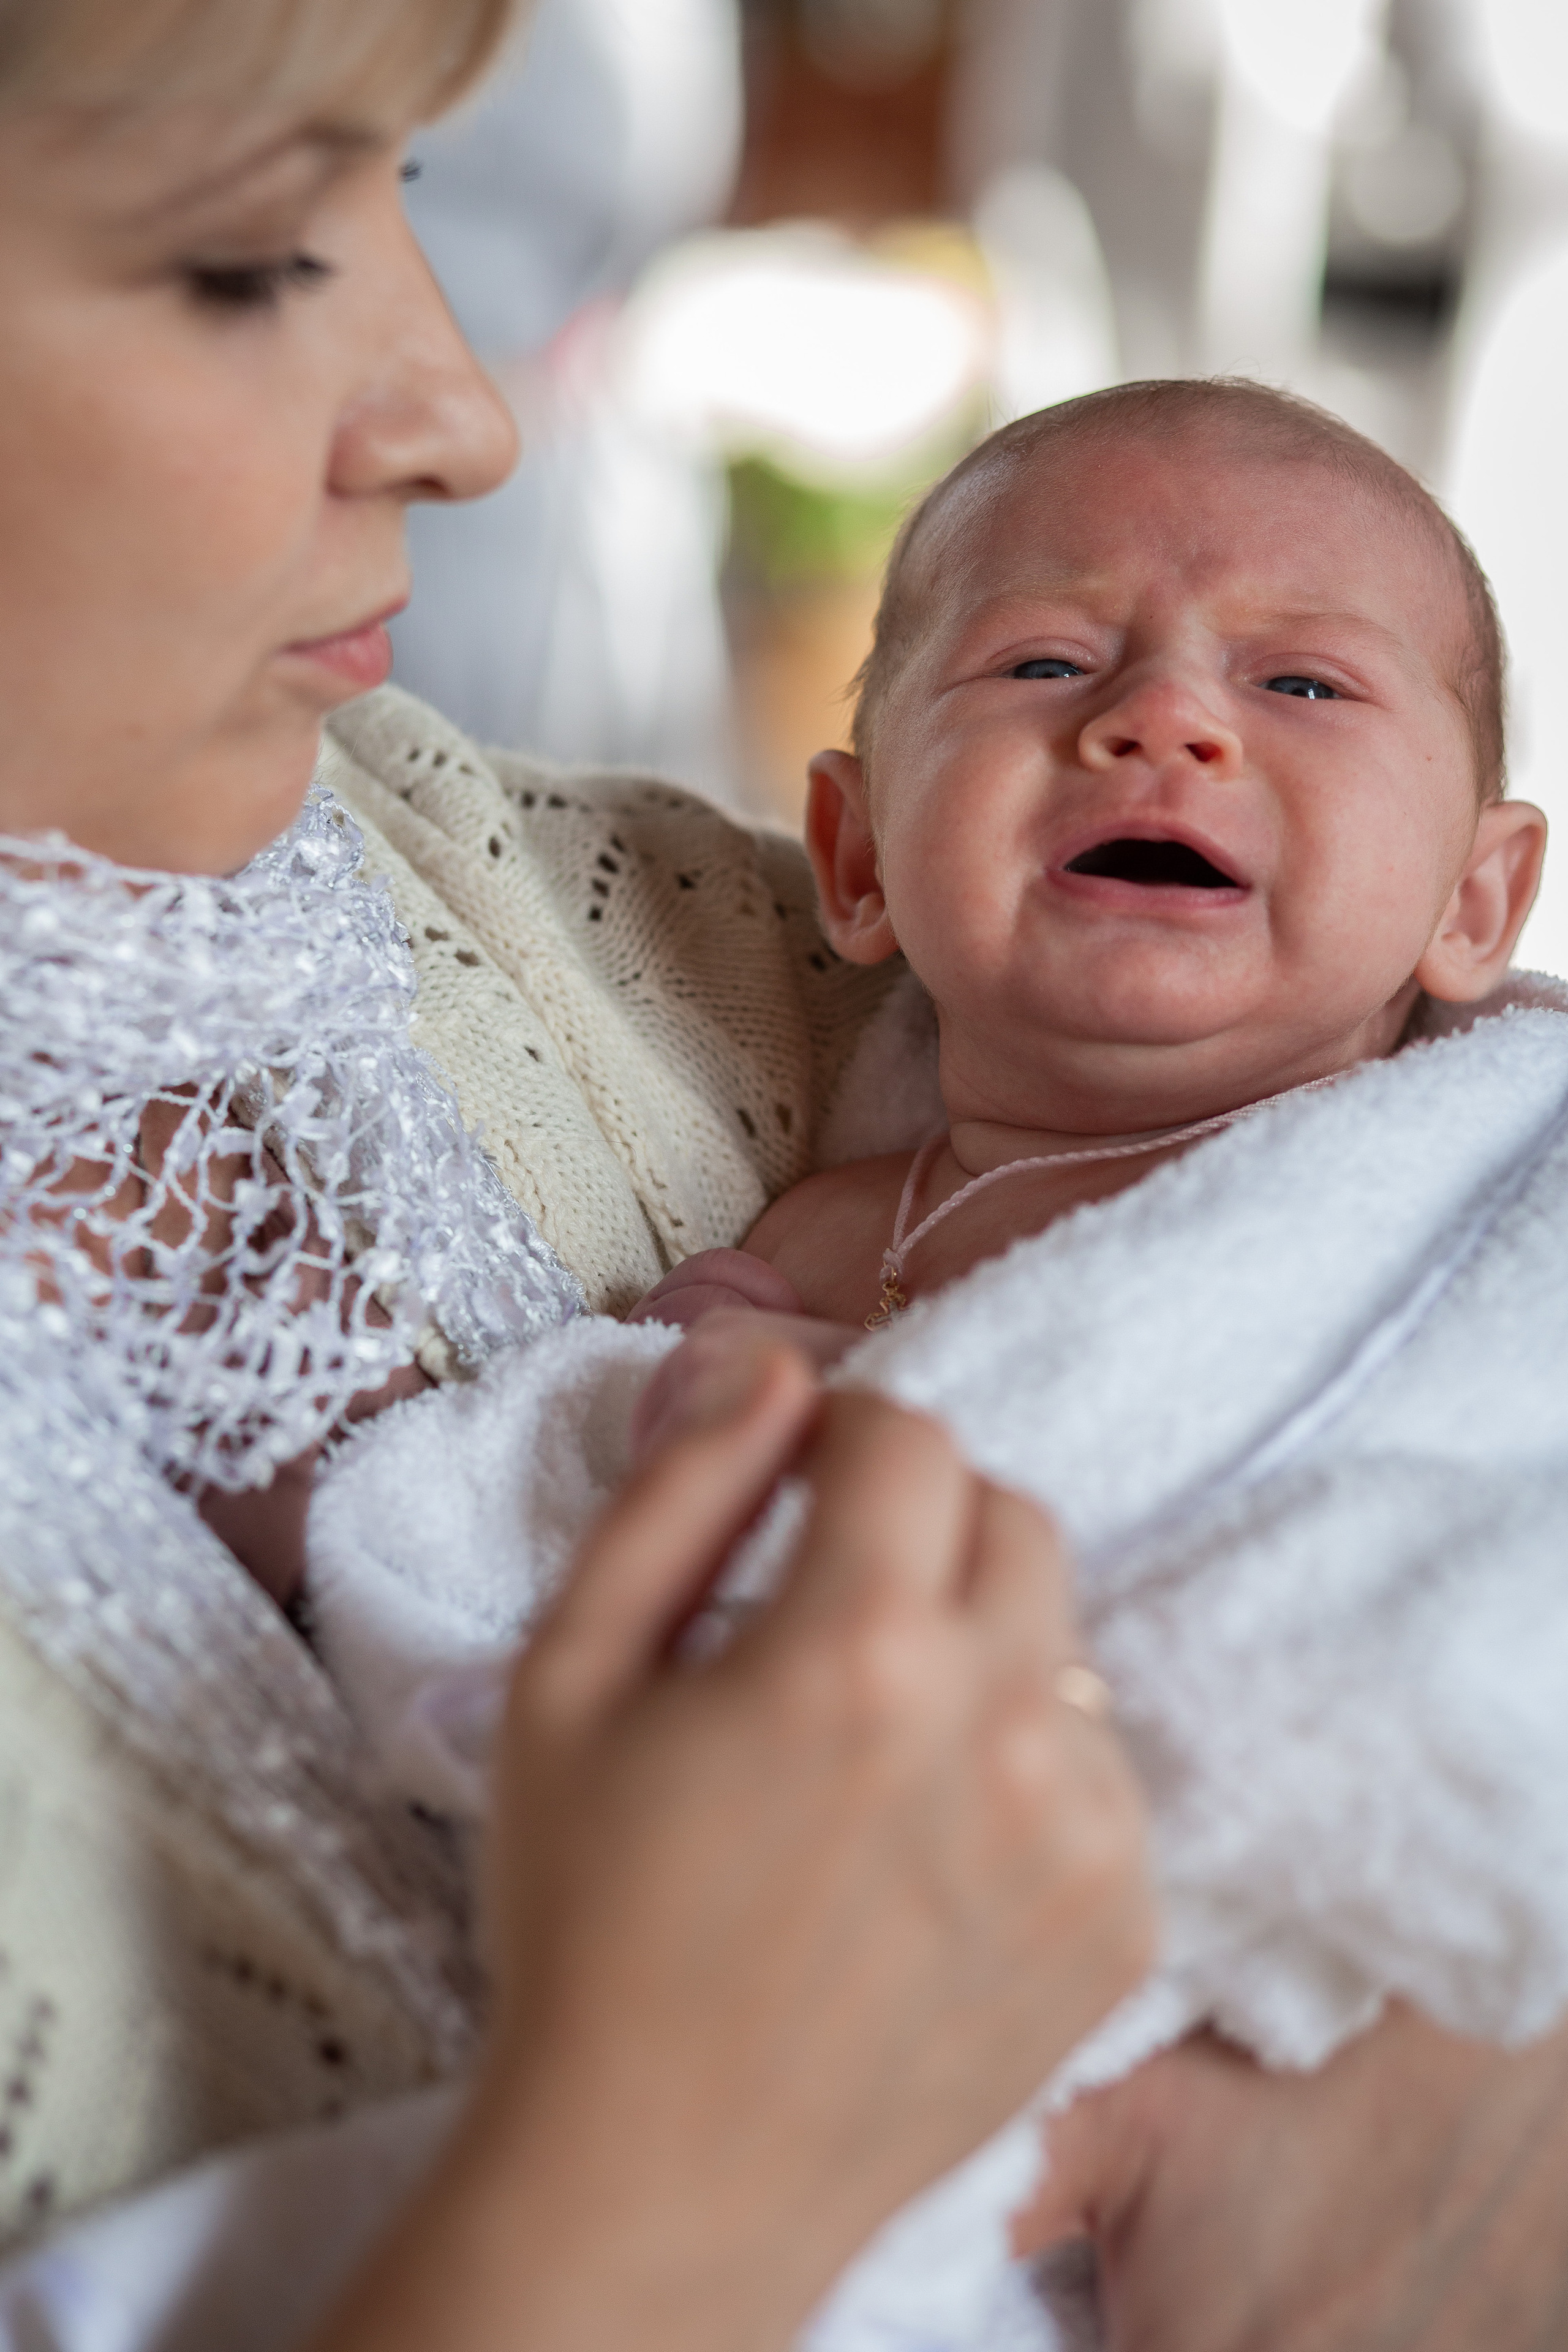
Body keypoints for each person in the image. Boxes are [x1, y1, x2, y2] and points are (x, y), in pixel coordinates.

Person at [0, 4, 1562, 2345]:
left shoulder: (1445, 1159)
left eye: (1309, 689)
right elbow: (549, 1511)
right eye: (242, 253)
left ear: (1480, 906)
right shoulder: (834, 1189)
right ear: (856, 851)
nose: (471, 410)